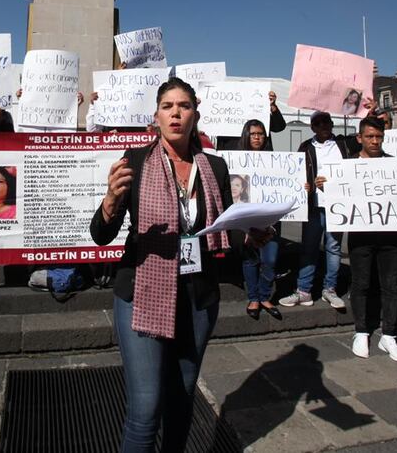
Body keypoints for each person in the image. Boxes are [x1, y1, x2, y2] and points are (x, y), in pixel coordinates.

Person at [90, 78, 271, 452]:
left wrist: (251, 236)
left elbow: (227, 228)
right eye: (168, 106)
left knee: (182, 397)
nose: (176, 113)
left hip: (197, 296)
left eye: (184, 106)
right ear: (156, 116)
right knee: (145, 408)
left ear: (195, 115)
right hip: (142, 292)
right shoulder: (135, 161)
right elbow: (101, 235)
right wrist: (109, 201)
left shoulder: (215, 167)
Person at [343, 115, 397, 361]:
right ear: (359, 138)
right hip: (360, 236)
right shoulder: (346, 165)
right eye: (369, 136)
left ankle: (389, 335)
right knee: (360, 283)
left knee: (390, 284)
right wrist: (324, 185)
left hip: (392, 237)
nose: (374, 141)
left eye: (379, 136)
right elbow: (337, 196)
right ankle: (361, 331)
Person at [281, 111, 349, 310]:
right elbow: (296, 173)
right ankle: (304, 290)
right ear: (312, 127)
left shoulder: (343, 144)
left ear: (332, 124)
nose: (323, 126)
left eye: (326, 122)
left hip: (337, 206)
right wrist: (306, 185)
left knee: (333, 248)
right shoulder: (305, 147)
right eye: (318, 123)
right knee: (309, 248)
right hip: (313, 206)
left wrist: (372, 112)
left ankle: (330, 289)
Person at [228, 119, 282, 321]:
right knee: (250, 260)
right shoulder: (235, 161)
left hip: (271, 220)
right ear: (246, 136)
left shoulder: (276, 160)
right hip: (246, 220)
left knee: (270, 259)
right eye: (253, 134)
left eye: (261, 134)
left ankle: (265, 296)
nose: (257, 137)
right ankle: (253, 298)